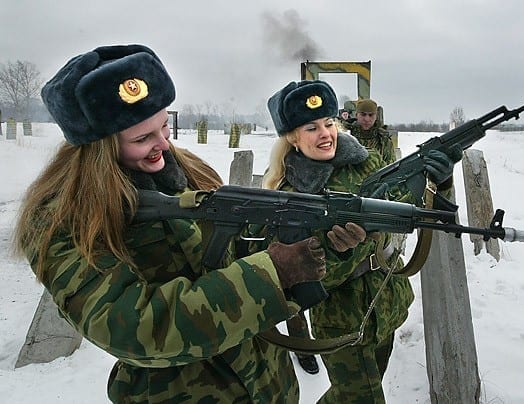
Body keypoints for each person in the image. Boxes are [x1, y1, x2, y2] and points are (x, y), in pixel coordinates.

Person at [12, 44, 329, 403]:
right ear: (97, 148)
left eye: (164, 126)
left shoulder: (188, 171)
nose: (163, 145)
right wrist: (272, 274)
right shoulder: (64, 221)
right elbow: (137, 329)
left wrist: (309, 239)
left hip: (268, 385)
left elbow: (234, 249)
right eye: (142, 138)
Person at [260, 80, 460, 403]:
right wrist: (337, 252)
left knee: (356, 392)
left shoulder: (366, 162)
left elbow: (406, 209)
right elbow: (293, 281)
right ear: (292, 138)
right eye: (311, 128)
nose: (325, 134)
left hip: (385, 304)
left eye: (328, 123)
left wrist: (440, 181)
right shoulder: (289, 194)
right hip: (342, 323)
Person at [343, 98, 396, 165]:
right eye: (363, 114)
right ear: (356, 115)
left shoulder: (383, 140)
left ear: (376, 117)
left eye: (371, 115)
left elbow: (390, 167)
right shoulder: (346, 136)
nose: (367, 119)